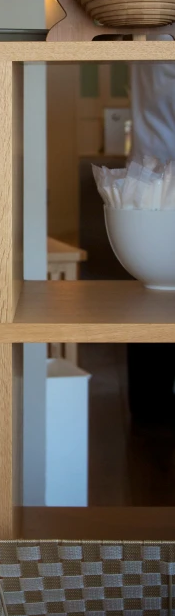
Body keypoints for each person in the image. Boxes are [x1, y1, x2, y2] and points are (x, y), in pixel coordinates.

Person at [128, 47, 175, 423]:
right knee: (153, 295)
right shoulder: (156, 32)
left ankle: (149, 407)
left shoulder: (147, 29)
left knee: (149, 294)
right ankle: (151, 407)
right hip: (156, 174)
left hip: (149, 173)